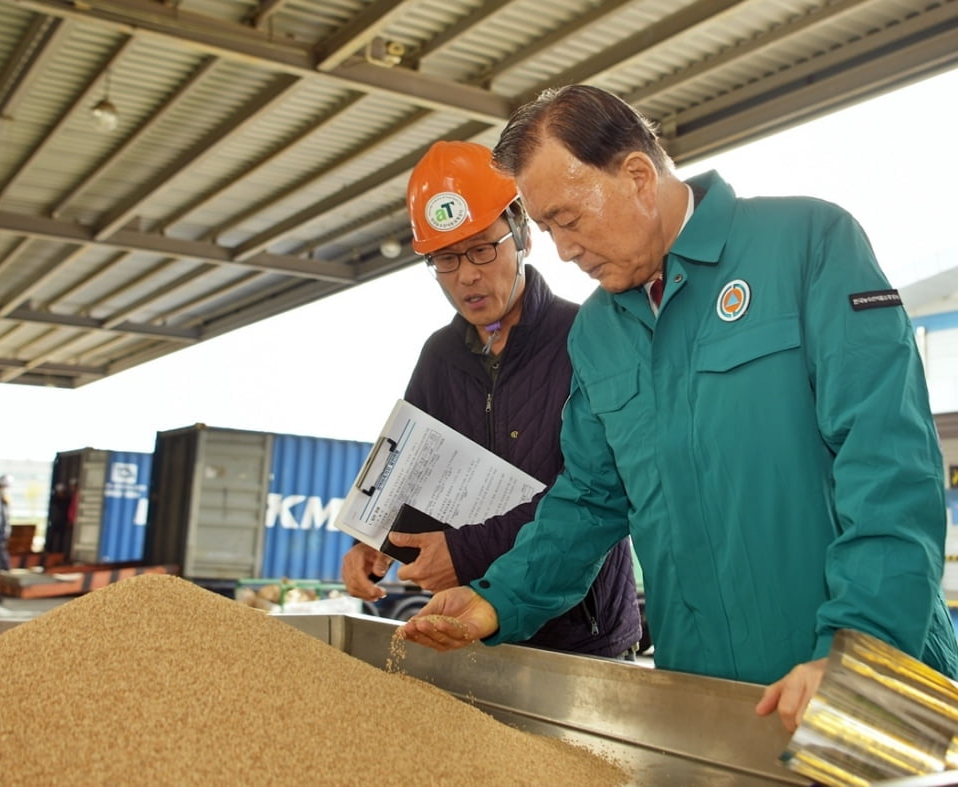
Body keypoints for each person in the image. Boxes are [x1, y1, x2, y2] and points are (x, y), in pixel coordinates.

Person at [398, 85, 958, 733]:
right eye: (546, 228)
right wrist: (498, 600)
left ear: (637, 176)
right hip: (705, 701)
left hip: (856, 684)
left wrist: (863, 643)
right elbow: (588, 499)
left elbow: (888, 460)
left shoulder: (807, 246)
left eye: (569, 218)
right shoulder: (600, 332)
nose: (561, 250)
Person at [341, 140, 640, 658]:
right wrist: (373, 539)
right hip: (473, 626)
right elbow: (405, 469)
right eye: (446, 259)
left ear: (522, 234)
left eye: (482, 248)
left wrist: (465, 550)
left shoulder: (588, 338)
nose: (467, 276)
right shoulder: (439, 355)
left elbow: (597, 495)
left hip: (580, 638)